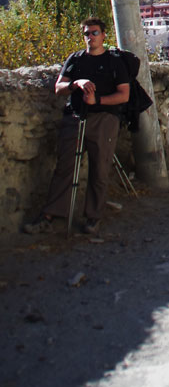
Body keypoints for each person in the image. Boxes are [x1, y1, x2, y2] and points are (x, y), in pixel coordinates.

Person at [23, 17, 130, 236]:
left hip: (103, 119)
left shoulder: (114, 62)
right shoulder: (76, 59)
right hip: (75, 117)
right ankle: (51, 214)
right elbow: (59, 87)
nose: (90, 37)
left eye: (95, 33)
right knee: (65, 166)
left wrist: (97, 101)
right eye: (87, 33)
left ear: (103, 35)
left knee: (99, 168)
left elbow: (124, 94)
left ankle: (93, 216)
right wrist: (76, 84)